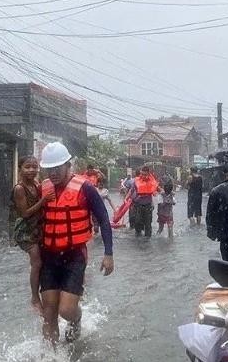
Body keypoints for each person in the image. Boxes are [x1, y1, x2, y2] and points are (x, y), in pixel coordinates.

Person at [38, 142, 114, 343]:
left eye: (57, 168)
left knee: (66, 310)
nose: (53, 173)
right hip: (49, 256)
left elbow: (104, 219)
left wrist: (108, 254)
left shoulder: (86, 187)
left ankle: (77, 319)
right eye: (49, 169)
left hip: (74, 256)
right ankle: (50, 359)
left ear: (68, 165)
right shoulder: (43, 188)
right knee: (49, 312)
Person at [10, 156, 55, 315]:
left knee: (43, 260)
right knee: (36, 261)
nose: (31, 170)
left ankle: (48, 290)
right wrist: (43, 200)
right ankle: (35, 297)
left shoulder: (37, 184)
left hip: (38, 227)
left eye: (34, 167)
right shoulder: (19, 189)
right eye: (27, 167)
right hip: (25, 230)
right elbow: (25, 213)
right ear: (20, 168)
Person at [125, 166, 159, 238]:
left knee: (148, 223)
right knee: (137, 221)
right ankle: (138, 237)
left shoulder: (152, 182)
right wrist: (126, 198)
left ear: (148, 174)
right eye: (142, 174)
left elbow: (156, 192)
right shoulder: (137, 181)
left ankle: (147, 239)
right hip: (138, 204)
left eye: (145, 174)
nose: (143, 176)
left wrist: (155, 192)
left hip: (148, 205)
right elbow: (131, 190)